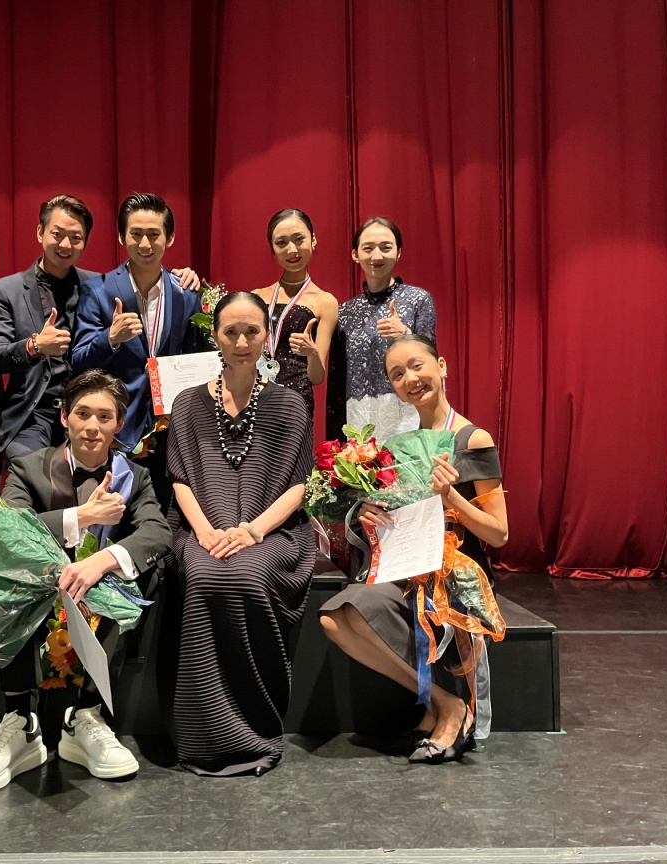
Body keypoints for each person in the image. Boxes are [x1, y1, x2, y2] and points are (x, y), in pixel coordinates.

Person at [0, 370, 172, 793]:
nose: (92, 426)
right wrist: (82, 517)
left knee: (130, 574)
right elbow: (9, 531)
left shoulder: (135, 476)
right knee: (7, 577)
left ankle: (85, 718)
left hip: (97, 589)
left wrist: (103, 560)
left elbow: (157, 533)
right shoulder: (28, 469)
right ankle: (20, 723)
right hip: (41, 586)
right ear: (64, 417)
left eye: (104, 417)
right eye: (82, 414)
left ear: (119, 424)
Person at [319, 334, 507, 763]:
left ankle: (447, 712)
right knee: (334, 619)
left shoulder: (472, 439)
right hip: (408, 567)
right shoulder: (398, 448)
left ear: (441, 366)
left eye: (417, 366)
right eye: (397, 374)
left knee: (352, 612)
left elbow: (499, 534)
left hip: (456, 574)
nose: (410, 379)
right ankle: (447, 704)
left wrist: (452, 498)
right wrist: (366, 511)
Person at [164, 291, 316, 776]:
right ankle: (205, 735)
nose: (243, 341)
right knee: (205, 576)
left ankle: (254, 730)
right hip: (202, 530)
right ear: (216, 337)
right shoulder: (187, 403)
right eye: (231, 331)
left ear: (267, 335)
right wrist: (205, 532)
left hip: (272, 532)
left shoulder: (289, 404)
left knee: (246, 576)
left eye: (252, 331)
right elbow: (181, 479)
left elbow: (298, 486)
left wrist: (252, 530)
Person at [0, 196, 204, 461]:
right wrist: (35, 346)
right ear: (40, 232)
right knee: (34, 475)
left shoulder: (96, 284)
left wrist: (183, 279)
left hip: (100, 414)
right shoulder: (7, 290)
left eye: (75, 237)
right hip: (36, 413)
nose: (65, 244)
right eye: (57, 234)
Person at [71, 193, 208, 507]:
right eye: (136, 234)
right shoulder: (99, 291)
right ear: (122, 237)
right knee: (115, 513)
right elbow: (78, 360)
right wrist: (111, 338)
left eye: (153, 234)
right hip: (117, 426)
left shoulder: (186, 293)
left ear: (169, 238)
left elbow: (196, 359)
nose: (145, 244)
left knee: (167, 510)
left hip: (171, 427)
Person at [326, 217, 437, 442]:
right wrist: (334, 441)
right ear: (355, 254)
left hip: (407, 413)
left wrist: (405, 335)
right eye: (368, 248)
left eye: (386, 247)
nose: (376, 256)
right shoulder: (344, 312)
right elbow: (336, 384)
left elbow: (431, 364)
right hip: (358, 418)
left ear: (398, 252)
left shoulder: (418, 300)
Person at [250, 208, 339, 419]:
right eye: (281, 243)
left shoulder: (325, 302)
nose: (292, 250)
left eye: (299, 239)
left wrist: (312, 352)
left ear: (313, 240)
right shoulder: (256, 297)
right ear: (272, 249)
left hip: (296, 403)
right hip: (254, 397)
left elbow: (317, 378)